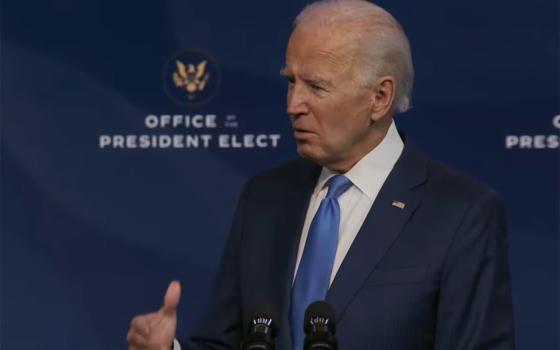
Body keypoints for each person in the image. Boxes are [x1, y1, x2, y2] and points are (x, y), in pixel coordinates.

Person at [126, 1, 515, 349]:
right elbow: (225, 342)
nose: (294, 104)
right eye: (291, 81)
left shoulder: (461, 212)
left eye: (315, 86)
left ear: (380, 97)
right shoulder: (265, 197)